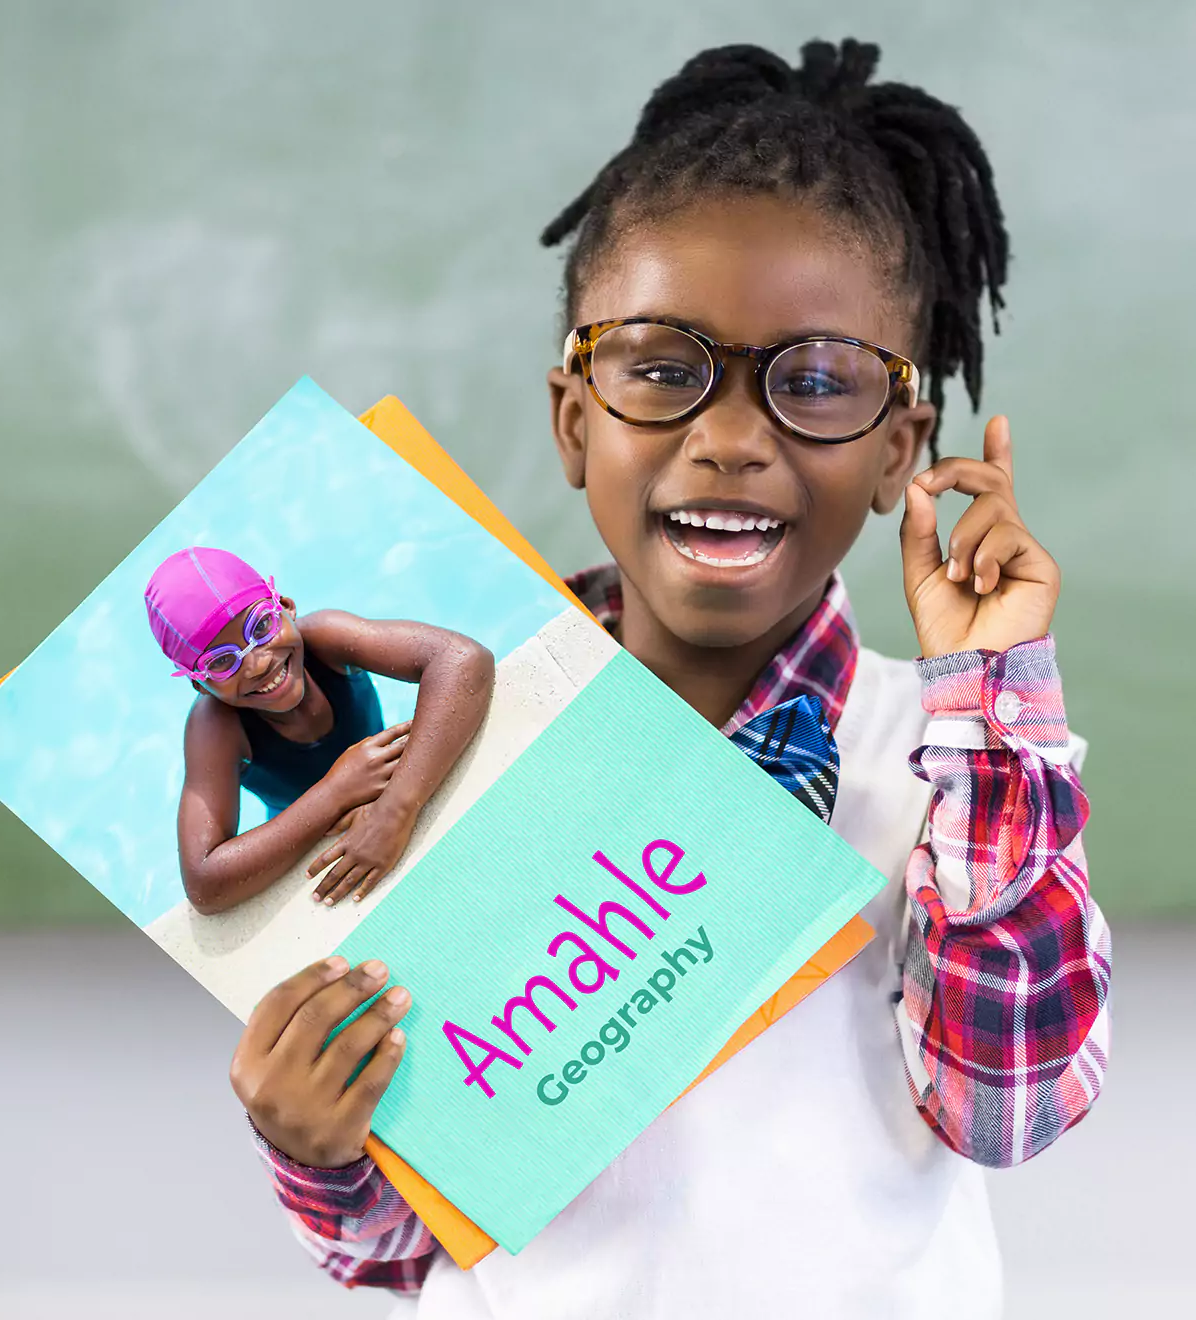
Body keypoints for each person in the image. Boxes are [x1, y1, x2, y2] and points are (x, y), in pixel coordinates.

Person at [225, 40, 1112, 1317]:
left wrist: (989, 694)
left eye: (814, 382)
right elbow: (395, 1251)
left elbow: (1009, 1107)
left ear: (896, 452)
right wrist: (317, 1144)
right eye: (659, 366)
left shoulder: (954, 752)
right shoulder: (419, 753)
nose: (734, 436)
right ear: (573, 415)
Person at [144, 546, 495, 913]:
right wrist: (335, 792)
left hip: (379, 779)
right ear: (201, 685)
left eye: (261, 626)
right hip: (303, 822)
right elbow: (204, 883)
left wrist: (394, 810)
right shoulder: (214, 728)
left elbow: (463, 659)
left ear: (285, 606)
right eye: (222, 661)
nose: (258, 662)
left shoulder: (326, 638)